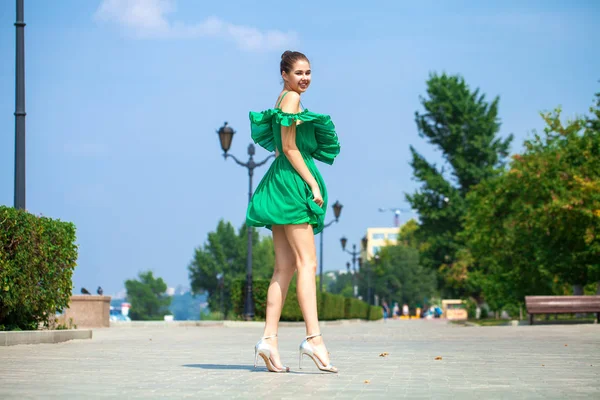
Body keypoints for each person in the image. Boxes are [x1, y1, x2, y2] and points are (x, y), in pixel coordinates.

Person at [247, 50, 341, 373]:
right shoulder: (289, 100)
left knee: (284, 267)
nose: (305, 78)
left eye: (309, 72)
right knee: (307, 263)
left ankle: (268, 340)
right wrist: (313, 184)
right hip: (290, 185)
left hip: (279, 182)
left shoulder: (282, 99)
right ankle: (313, 338)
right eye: (299, 72)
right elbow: (288, 148)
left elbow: (279, 147)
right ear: (285, 74)